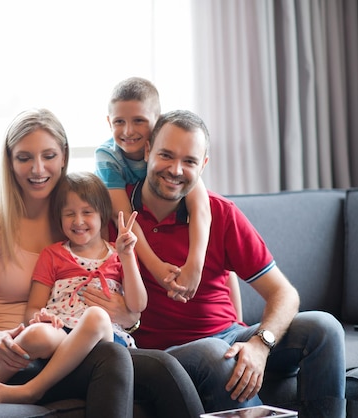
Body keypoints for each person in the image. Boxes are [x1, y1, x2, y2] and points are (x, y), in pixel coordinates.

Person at [0, 109, 206, 417]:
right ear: (9, 160)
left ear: (64, 157)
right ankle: (29, 386)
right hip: (11, 355)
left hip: (75, 345)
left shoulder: (76, 221)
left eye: (49, 155)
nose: (38, 169)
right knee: (112, 358)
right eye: (24, 158)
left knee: (164, 366)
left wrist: (128, 315)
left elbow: (180, 177)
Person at [107, 109, 345, 412]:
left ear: (203, 165)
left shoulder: (220, 213)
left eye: (190, 161)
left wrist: (260, 344)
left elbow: (283, 294)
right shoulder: (114, 213)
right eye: (166, 155)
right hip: (164, 353)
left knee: (324, 328)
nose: (176, 170)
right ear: (148, 150)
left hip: (230, 335)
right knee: (216, 354)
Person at [0, 171, 146, 404]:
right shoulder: (53, 254)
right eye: (69, 214)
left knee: (96, 316)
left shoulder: (118, 254)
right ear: (59, 217)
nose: (78, 221)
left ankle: (34, 389)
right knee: (35, 334)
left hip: (104, 337)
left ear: (102, 215)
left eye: (87, 213)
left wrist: (127, 256)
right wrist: (41, 317)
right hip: (63, 333)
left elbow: (138, 305)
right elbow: (33, 308)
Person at [95, 77, 242, 319]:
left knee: (223, 258)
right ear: (108, 122)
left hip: (172, 212)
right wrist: (156, 267)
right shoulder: (108, 156)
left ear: (156, 123)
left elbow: (201, 207)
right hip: (126, 214)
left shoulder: (173, 156)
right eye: (119, 122)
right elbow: (124, 219)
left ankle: (238, 322)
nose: (128, 131)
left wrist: (195, 266)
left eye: (139, 121)